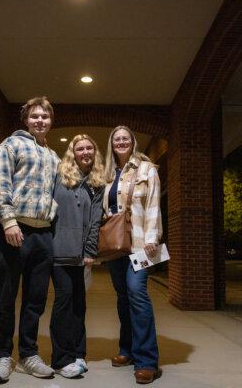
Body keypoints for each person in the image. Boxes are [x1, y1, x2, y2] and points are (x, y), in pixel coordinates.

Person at [0, 96, 60, 383]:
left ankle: (28, 355)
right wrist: (8, 221)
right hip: (14, 230)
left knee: (35, 300)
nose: (40, 120)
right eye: (35, 116)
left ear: (50, 121)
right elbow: (0, 182)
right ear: (26, 119)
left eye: (45, 116)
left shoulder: (54, 156)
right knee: (6, 297)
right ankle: (3, 357)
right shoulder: (10, 145)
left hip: (43, 234)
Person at [102, 125, 162, 384]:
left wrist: (152, 239)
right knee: (123, 297)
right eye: (117, 139)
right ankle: (126, 349)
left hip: (141, 244)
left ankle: (147, 360)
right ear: (112, 145)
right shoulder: (107, 174)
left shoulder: (147, 169)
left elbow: (153, 204)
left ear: (133, 142)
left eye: (125, 138)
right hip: (115, 246)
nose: (121, 142)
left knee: (137, 292)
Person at [50, 134, 105, 378]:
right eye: (79, 148)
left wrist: (91, 250)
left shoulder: (96, 184)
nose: (85, 152)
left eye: (89, 148)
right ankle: (61, 360)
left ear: (95, 153)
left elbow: (95, 222)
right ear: (73, 152)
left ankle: (78, 353)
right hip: (58, 251)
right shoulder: (59, 175)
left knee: (79, 304)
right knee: (64, 302)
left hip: (81, 255)